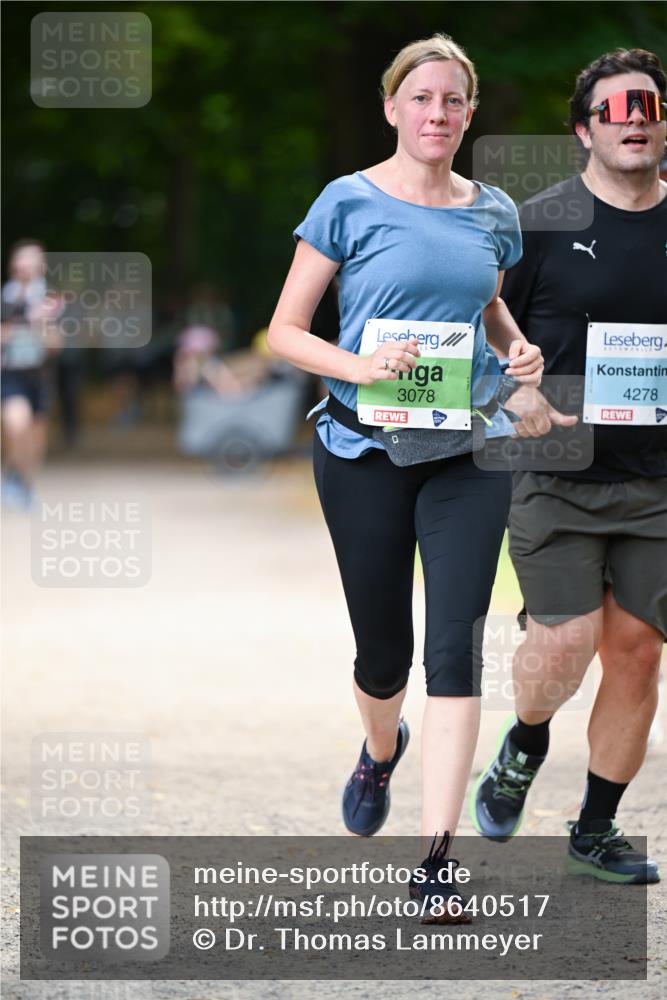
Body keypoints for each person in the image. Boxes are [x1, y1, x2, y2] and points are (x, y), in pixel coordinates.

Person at [268, 33, 543, 921]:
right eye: (422, 98)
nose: (438, 114)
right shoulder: (346, 202)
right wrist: (361, 366)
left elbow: (488, 303)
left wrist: (515, 347)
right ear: (393, 108)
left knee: (453, 644)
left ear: (467, 113)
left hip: (466, 451)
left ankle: (435, 861)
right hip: (362, 452)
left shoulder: (492, 209)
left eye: (453, 101)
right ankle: (380, 750)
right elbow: (285, 330)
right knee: (383, 656)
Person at [470, 48, 666, 885]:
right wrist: (510, 394)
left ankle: (594, 829)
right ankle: (524, 739)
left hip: (658, 480)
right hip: (555, 468)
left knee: (636, 650)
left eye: (648, 109)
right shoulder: (538, 222)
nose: (635, 122)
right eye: (616, 111)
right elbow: (477, 316)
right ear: (583, 130)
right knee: (567, 640)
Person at [1, 240, 61, 509]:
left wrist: (42, 323)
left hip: (40, 375)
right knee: (17, 424)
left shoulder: (51, 300)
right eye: (21, 259)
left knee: (35, 437)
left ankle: (24, 483)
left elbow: (55, 345)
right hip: (11, 373)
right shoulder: (5, 297)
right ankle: (12, 478)